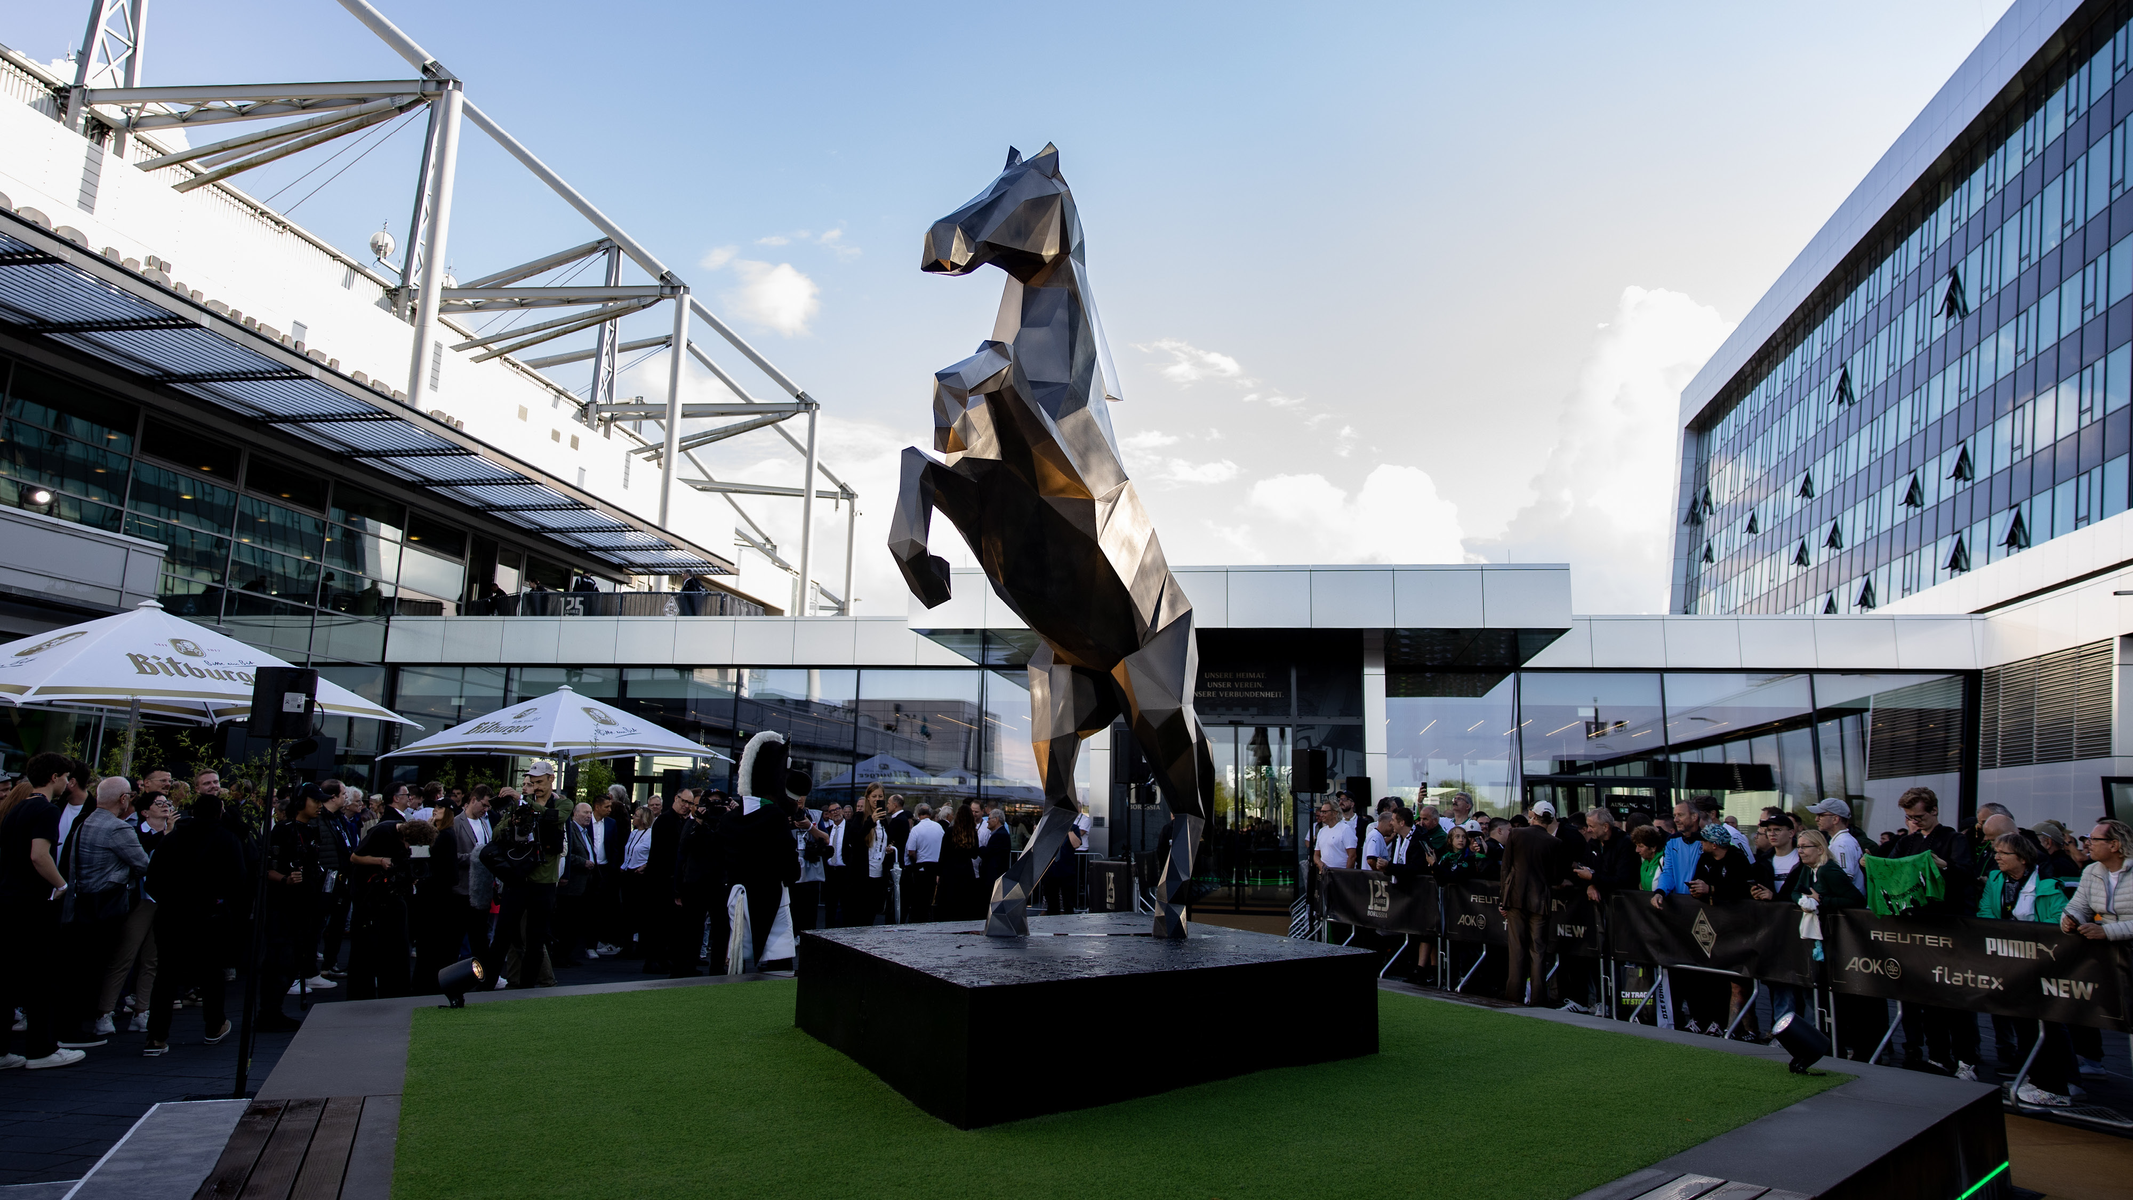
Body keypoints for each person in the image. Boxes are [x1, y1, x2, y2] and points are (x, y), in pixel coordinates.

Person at [1969, 831, 2076, 1105]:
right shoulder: (1995, 880)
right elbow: (1985, 914)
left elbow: (2058, 921)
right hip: (2010, 964)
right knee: (2023, 1021)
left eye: (2003, 853)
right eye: (1996, 852)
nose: (1997, 857)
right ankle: (2035, 1077)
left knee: (2049, 1024)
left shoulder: (2048, 884)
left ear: (2023, 858)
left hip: (2043, 965)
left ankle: (2058, 1086)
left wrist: (2026, 940)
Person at [140, 790, 244, 1057]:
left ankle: (156, 1036)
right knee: (212, 973)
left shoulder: (171, 839)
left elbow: (152, 879)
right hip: (211, 916)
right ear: (219, 812)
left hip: (172, 915)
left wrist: (169, 901)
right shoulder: (227, 839)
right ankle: (214, 1025)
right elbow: (239, 882)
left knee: (165, 975)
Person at [0, 756, 84, 1069]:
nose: (68, 783)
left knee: (7, 979)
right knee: (40, 977)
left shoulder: (15, 807)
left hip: (8, 900)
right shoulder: (45, 810)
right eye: (65, 776)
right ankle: (42, 1049)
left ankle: (3, 1051)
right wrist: (62, 885)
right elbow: (39, 855)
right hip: (31, 904)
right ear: (54, 777)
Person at [256, 788, 325, 1031]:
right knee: (280, 960)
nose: (319, 806)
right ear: (300, 802)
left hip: (304, 906)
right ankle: (269, 1012)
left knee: (293, 960)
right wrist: (285, 880)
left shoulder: (310, 830)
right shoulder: (284, 830)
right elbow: (264, 866)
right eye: (315, 801)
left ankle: (273, 1010)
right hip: (283, 908)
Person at [346, 814, 435, 999]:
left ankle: (396, 990)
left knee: (398, 946)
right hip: (369, 895)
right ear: (406, 837)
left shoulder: (406, 838)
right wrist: (380, 861)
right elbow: (354, 857)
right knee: (367, 947)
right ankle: (362, 994)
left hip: (395, 894)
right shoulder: (382, 831)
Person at [1498, 814, 1564, 1006]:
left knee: (1517, 949)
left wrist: (1503, 899)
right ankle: (1538, 999)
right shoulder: (1554, 842)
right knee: (1538, 951)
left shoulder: (1516, 834)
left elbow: (1506, 867)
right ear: (1550, 820)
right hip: (1539, 900)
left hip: (1515, 897)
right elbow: (1556, 877)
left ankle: (1513, 996)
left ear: (1533, 816)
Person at [2061, 819, 2133, 942]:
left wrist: (2107, 931)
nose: (2088, 844)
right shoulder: (2090, 871)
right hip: (2109, 952)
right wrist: (2071, 919)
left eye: (2094, 839)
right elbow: (2077, 906)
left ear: (2114, 845)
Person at [452, 789, 494, 978]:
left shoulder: (486, 824)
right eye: (484, 804)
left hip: (482, 890)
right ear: (473, 800)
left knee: (479, 937)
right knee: (457, 936)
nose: (486, 809)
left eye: (488, 806)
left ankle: (483, 975)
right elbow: (452, 856)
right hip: (461, 889)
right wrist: (477, 857)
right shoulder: (456, 823)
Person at [557, 802, 598, 966]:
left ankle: (569, 954)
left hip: (585, 884)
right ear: (575, 813)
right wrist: (583, 862)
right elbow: (567, 854)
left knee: (576, 923)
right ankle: (561, 955)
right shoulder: (571, 830)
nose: (588, 816)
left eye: (590, 813)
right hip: (571, 885)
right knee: (567, 922)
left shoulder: (585, 832)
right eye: (585, 812)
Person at [939, 803, 984, 920]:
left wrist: (939, 873)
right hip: (966, 871)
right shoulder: (972, 833)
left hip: (950, 871)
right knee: (964, 901)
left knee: (950, 900)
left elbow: (943, 853)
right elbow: (974, 854)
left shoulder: (950, 831)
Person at [903, 802, 943, 923]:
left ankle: (919, 919)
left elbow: (911, 851)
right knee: (933, 896)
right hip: (936, 865)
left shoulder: (916, 829)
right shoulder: (939, 828)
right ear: (930, 814)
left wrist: (917, 860)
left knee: (920, 898)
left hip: (922, 866)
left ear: (918, 815)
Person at [976, 806, 1012, 901]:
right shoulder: (999, 834)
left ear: (996, 820)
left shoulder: (999, 835)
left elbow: (988, 853)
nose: (987, 821)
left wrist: (980, 847)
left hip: (993, 877)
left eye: (989, 818)